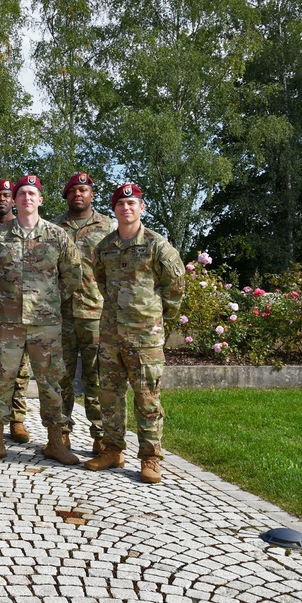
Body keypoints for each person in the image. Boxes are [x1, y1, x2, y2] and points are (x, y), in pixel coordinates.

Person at [0, 174, 82, 466]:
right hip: (7, 322)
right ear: (14, 200)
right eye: (21, 194)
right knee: (1, 380)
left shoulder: (57, 235)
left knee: (51, 382)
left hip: (45, 324)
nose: (26, 199)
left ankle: (56, 442)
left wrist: (51, 299)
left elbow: (73, 273)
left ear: (40, 200)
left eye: (32, 194)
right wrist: (1, 298)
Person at [85, 183, 185, 483]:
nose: (126, 208)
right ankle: (113, 449)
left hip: (145, 338)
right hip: (111, 335)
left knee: (147, 398)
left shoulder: (157, 245)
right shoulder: (105, 247)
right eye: (121, 204)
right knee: (109, 396)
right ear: (114, 210)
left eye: (132, 203)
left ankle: (151, 457)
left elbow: (175, 285)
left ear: (142, 208)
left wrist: (159, 317)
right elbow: (101, 281)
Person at [54, 173, 115, 454]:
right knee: (61, 375)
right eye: (73, 191)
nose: (78, 194)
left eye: (84, 190)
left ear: (92, 195)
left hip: (95, 311)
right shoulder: (54, 228)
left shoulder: (107, 227)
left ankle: (101, 435)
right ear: (66, 196)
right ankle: (61, 432)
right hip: (61, 313)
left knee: (96, 376)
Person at [0, 179, 33, 444]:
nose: (2, 199)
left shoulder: (27, 227)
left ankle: (18, 420)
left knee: (21, 370)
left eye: (7, 194)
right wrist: (2, 298)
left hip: (25, 315)